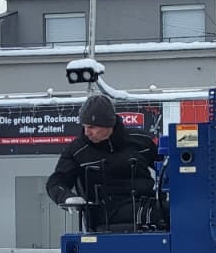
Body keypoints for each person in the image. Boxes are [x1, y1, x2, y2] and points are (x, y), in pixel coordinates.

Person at [45, 93, 162, 232]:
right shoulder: (77, 150)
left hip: (145, 208)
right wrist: (67, 197)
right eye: (84, 126)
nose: (87, 132)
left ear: (109, 124)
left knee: (176, 211)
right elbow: (56, 182)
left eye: (92, 127)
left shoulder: (141, 141)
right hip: (103, 215)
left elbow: (168, 168)